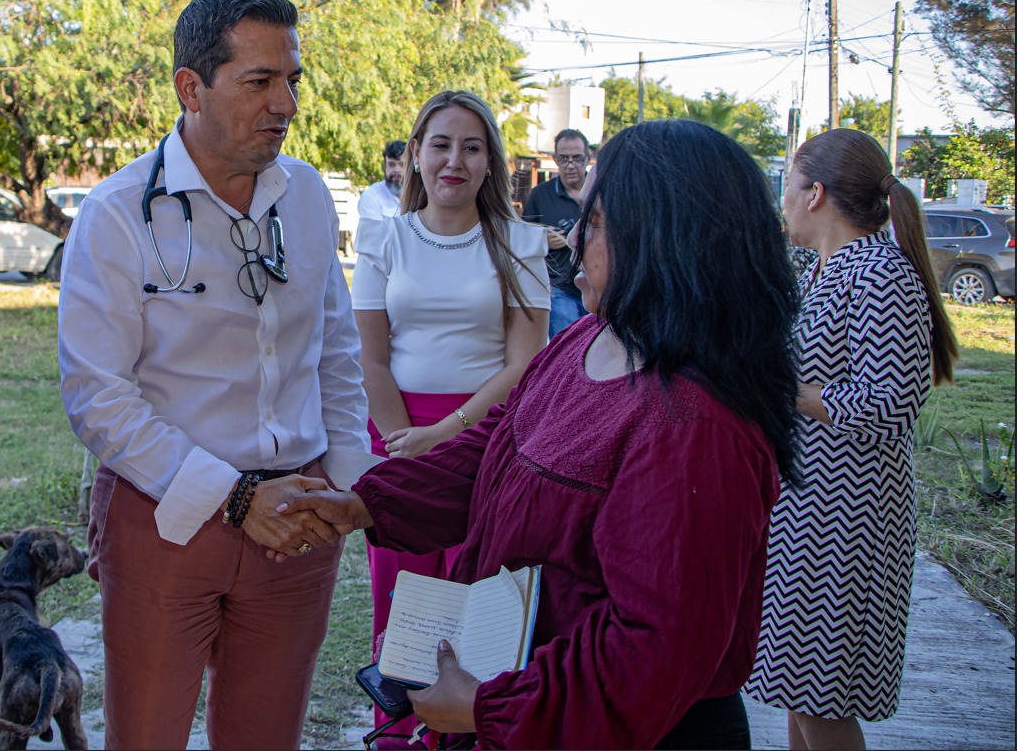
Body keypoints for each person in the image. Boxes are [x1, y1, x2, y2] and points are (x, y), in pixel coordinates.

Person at [284, 119, 803, 749]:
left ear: (667, 241)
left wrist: (489, 708)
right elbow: (495, 448)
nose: (578, 239)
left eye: (601, 223)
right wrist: (370, 501)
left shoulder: (694, 424)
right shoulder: (591, 339)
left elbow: (654, 649)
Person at [57, 0, 373, 750]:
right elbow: (99, 398)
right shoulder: (117, 213)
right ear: (190, 88)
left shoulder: (306, 200)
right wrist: (233, 500)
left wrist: (351, 481)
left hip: (298, 517)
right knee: (148, 735)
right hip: (167, 516)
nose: (286, 103)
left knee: (268, 735)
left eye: (293, 79)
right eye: (260, 81)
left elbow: (334, 354)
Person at [745, 129, 959, 751]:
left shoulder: (880, 274)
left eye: (787, 181)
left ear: (814, 194)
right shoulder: (826, 268)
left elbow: (889, 403)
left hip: (847, 519)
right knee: (796, 689)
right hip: (804, 511)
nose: (779, 198)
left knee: (821, 698)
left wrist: (783, 391)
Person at [350, 90, 548, 745]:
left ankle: (461, 737)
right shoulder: (383, 238)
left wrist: (448, 435)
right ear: (414, 155)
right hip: (398, 439)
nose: (453, 160)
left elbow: (524, 365)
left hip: (487, 442)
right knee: (399, 611)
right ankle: (393, 733)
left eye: (471, 147)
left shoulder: (519, 243)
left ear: (491, 163)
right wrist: (404, 445)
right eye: (439, 144)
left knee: (475, 612)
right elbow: (371, 358)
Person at [521, 128, 591, 338]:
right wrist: (542, 239)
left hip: (595, 285)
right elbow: (523, 237)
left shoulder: (600, 191)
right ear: (555, 160)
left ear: (587, 158)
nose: (570, 165)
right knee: (566, 341)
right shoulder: (540, 195)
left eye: (577, 158)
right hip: (558, 286)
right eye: (564, 158)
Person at [357, 139, 407, 222]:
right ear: (385, 167)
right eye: (391, 165)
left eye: (402, 164)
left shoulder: (421, 196)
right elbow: (376, 233)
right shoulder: (371, 196)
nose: (397, 170)